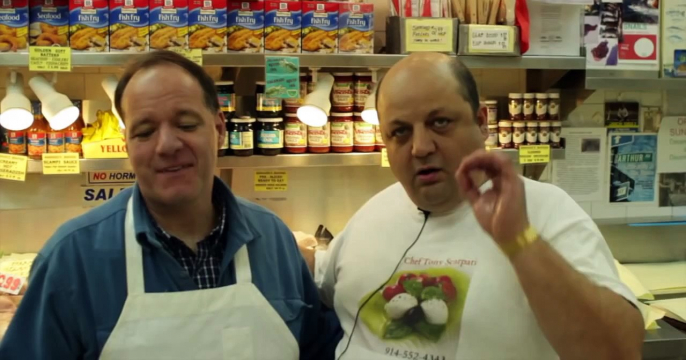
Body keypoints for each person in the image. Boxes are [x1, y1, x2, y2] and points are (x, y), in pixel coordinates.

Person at [300, 53, 644, 359]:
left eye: (440, 123)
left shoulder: (545, 211)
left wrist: (519, 240)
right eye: (400, 132)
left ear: (481, 122)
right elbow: (321, 280)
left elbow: (618, 350)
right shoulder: (373, 214)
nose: (420, 147)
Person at [0, 51, 341, 360]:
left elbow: (319, 349)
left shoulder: (273, 239)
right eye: (145, 131)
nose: (166, 145)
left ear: (219, 129)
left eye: (186, 124)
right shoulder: (72, 258)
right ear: (128, 146)